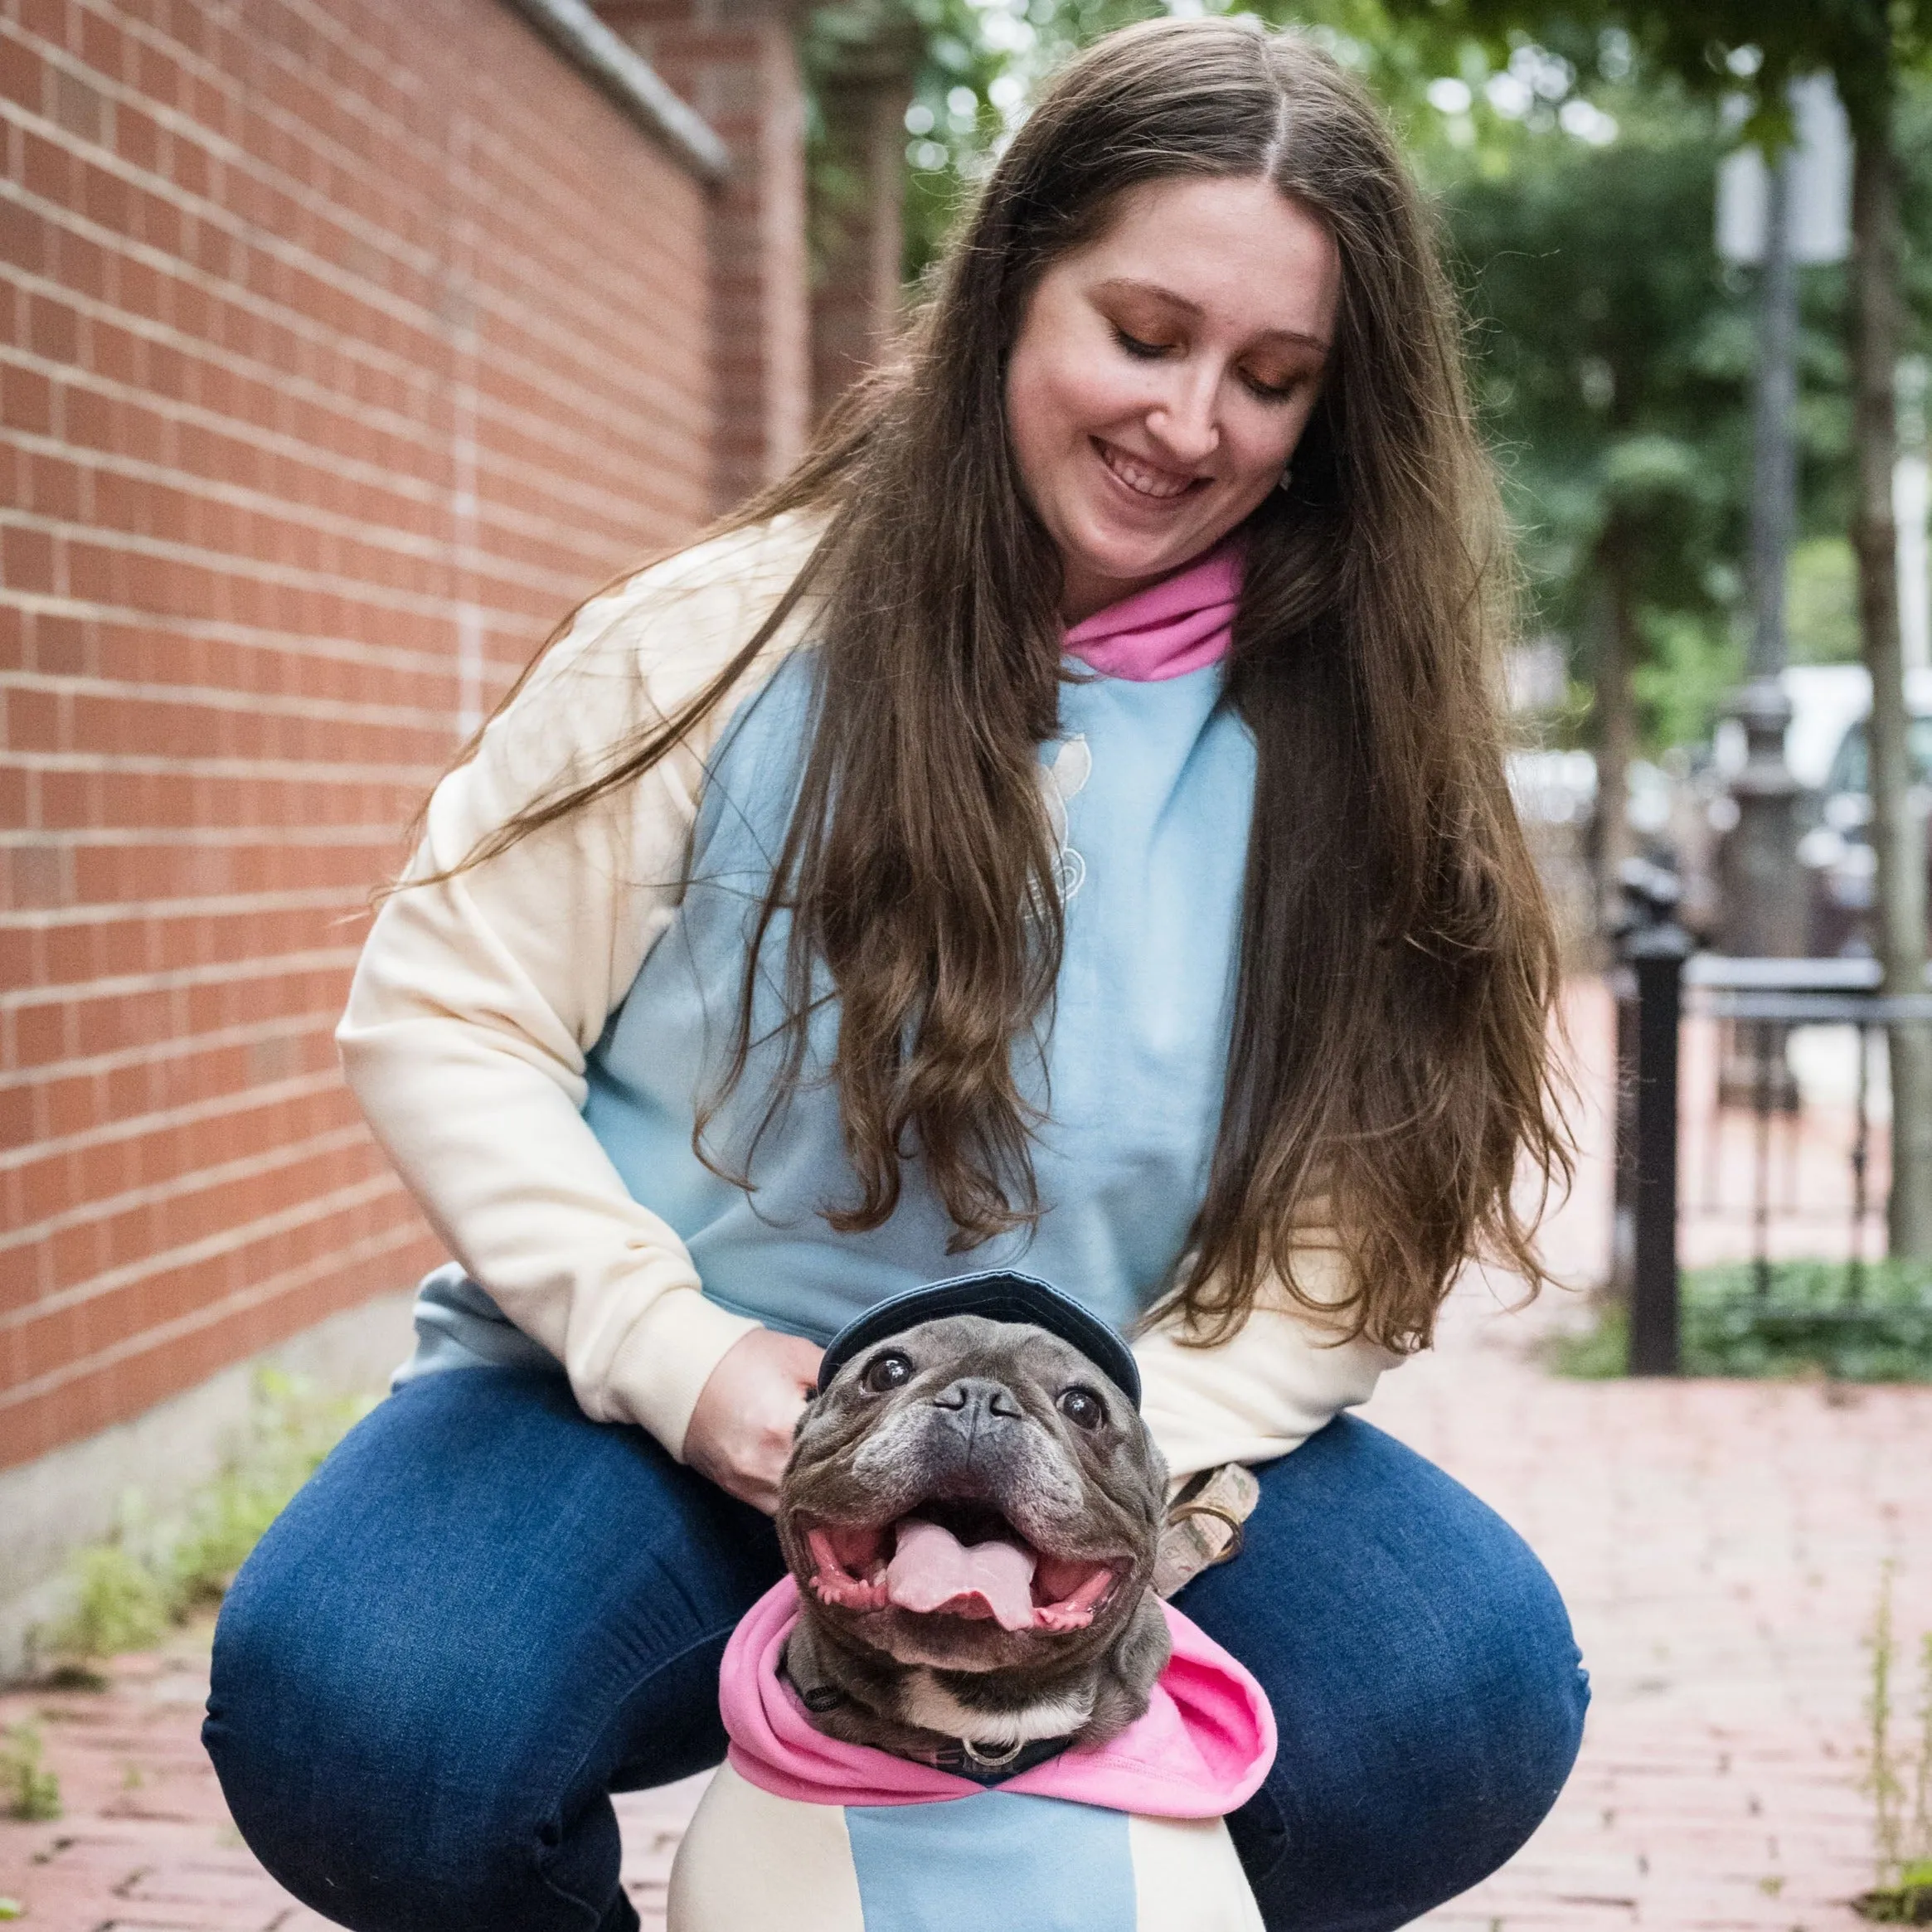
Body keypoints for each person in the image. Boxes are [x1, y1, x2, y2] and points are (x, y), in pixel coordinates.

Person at [202, 19, 1588, 1932]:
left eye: (1272, 380)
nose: (1192, 424)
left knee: (1461, 1694)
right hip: (657, 1407)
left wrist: (1127, 1470)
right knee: (370, 1723)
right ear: (1013, 285)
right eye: (1143, 333)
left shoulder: (1365, 747)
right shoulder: (714, 638)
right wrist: (678, 1363)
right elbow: (448, 1010)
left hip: (1126, 1440)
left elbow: (1370, 1197)